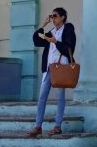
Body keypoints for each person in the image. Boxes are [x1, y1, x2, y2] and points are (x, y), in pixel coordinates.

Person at [28, 7, 76, 137]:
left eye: (55, 16)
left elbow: (70, 49)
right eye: (51, 16)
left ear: (62, 17)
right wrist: (43, 25)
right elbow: (37, 41)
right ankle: (38, 126)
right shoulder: (52, 31)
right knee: (42, 97)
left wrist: (56, 42)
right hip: (49, 68)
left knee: (60, 97)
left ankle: (58, 126)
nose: (53, 18)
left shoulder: (68, 29)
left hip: (61, 68)